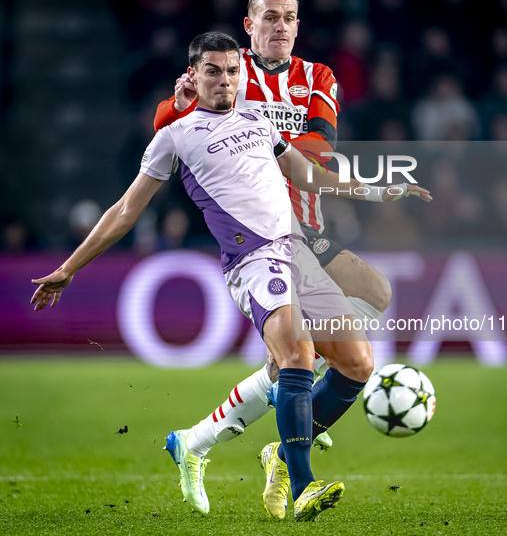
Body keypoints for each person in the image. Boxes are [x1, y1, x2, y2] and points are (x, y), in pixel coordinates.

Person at [30, 32, 432, 521]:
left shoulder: (259, 119)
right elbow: (124, 210)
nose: (225, 80)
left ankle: (270, 452)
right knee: (298, 355)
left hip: (297, 251)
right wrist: (69, 268)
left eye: (232, 71)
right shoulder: (174, 137)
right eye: (213, 71)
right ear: (193, 75)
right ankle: (303, 483)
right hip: (254, 261)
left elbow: (307, 176)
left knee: (357, 364)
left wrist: (376, 191)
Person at [151, 0, 401, 516]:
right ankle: (282, 450)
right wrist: (178, 106)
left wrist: (260, 136)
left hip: (306, 229)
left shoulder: (319, 77)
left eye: (290, 18)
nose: (281, 27)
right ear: (250, 26)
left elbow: (320, 150)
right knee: (297, 361)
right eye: (270, 17)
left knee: (373, 296)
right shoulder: (226, 71)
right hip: (262, 234)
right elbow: (172, 127)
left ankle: (233, 441)